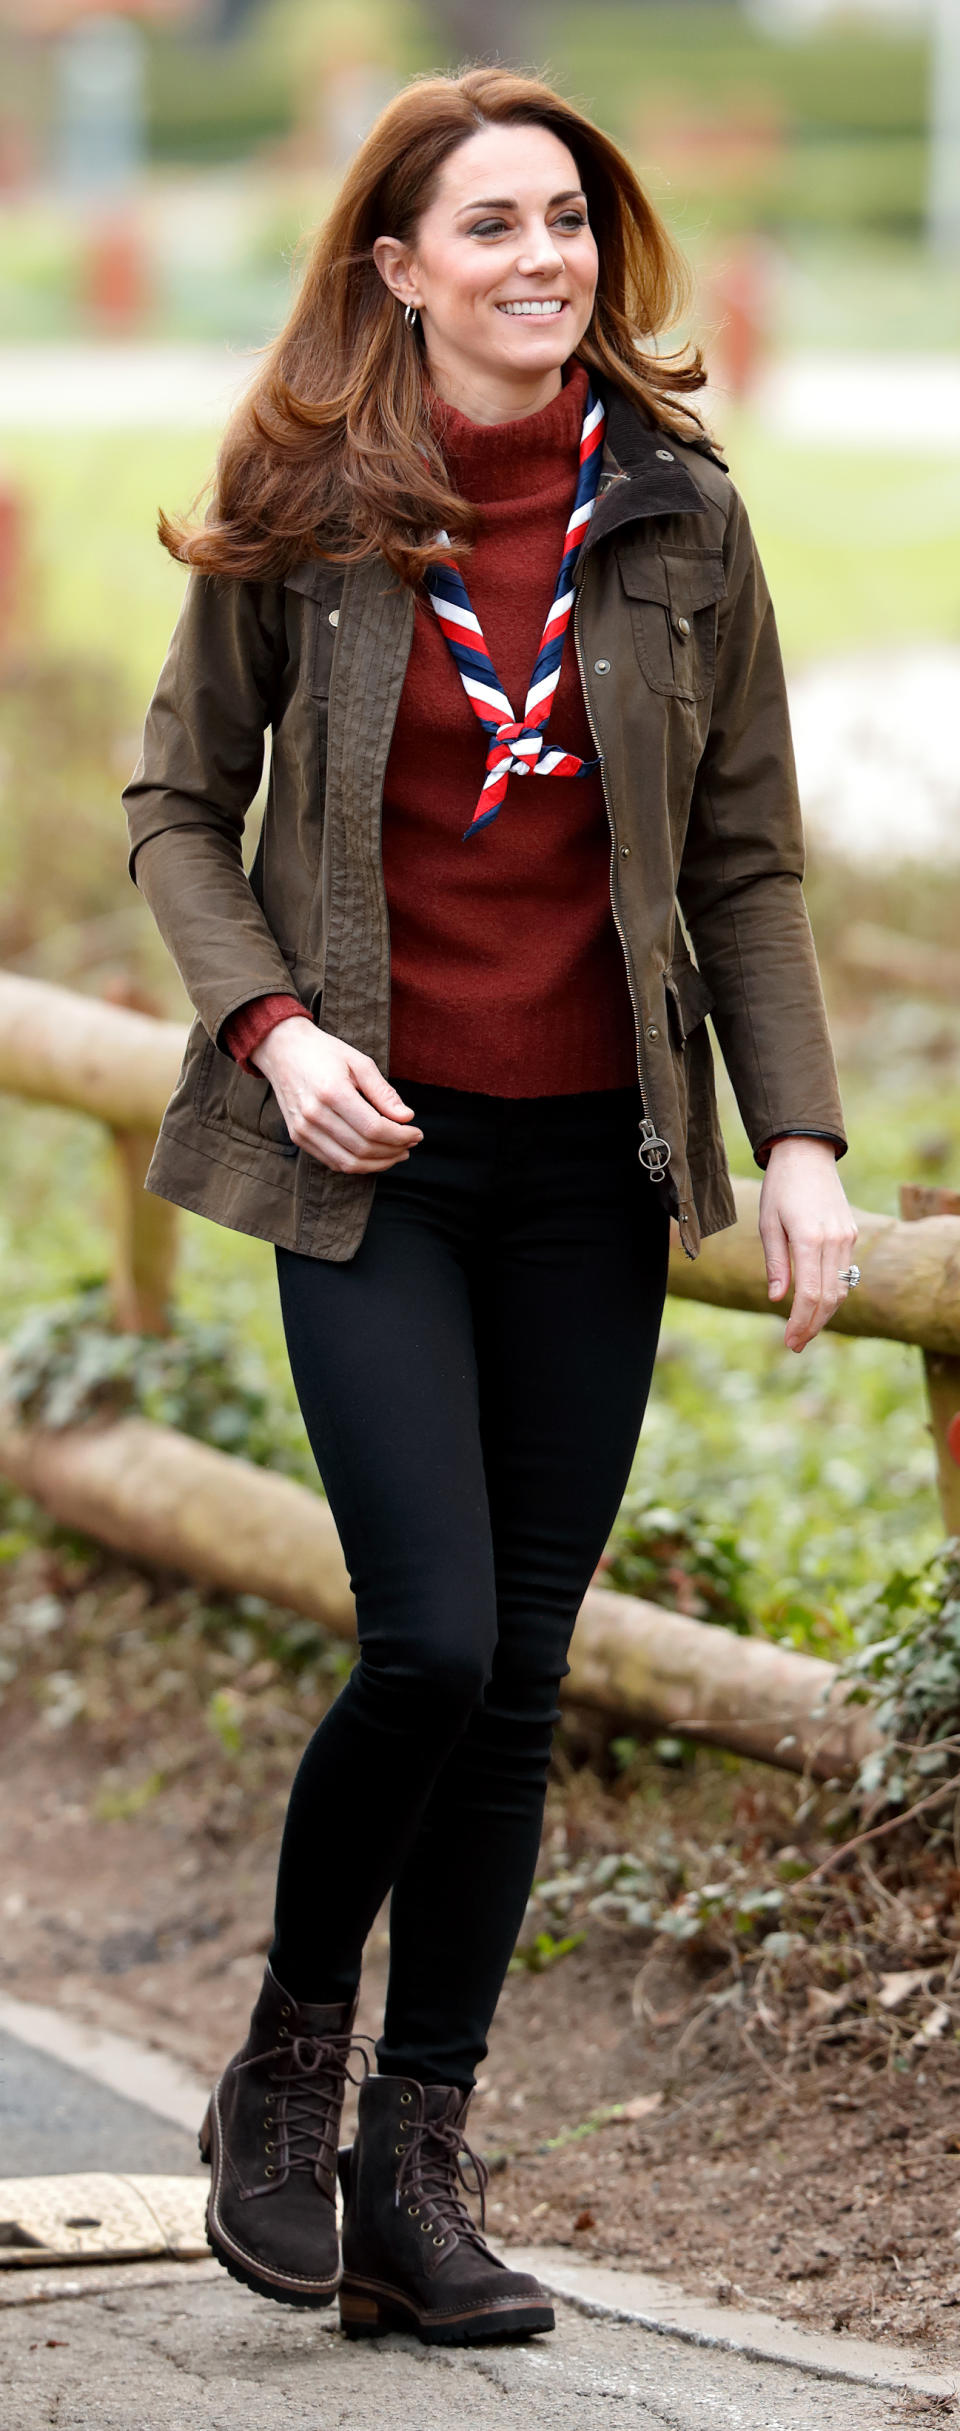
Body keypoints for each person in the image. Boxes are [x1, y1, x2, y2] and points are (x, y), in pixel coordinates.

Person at [122, 66, 858, 2348]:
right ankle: (287, 2055)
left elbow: (740, 857)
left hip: (590, 1172)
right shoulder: (311, 502)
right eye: (493, 227)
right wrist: (268, 1026)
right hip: (376, 1165)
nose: (545, 258)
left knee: (522, 1684)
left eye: (569, 221)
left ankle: (413, 2170)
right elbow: (171, 802)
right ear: (398, 268)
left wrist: (804, 1135)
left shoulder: (680, 519)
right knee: (429, 1638)